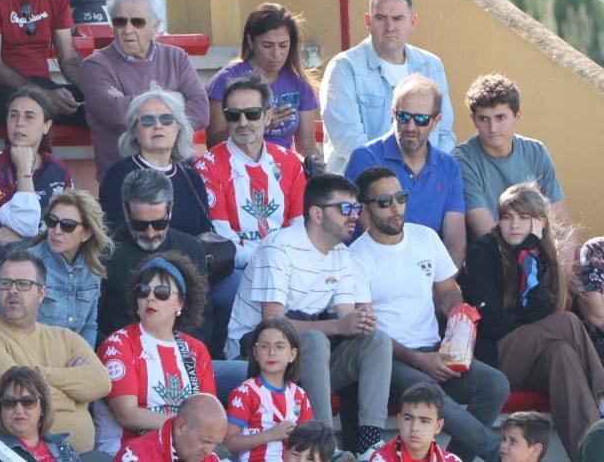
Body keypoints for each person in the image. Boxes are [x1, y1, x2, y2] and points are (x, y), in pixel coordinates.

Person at [349, 165, 508, 462]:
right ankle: (498, 454)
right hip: (390, 361)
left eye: (401, 197)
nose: (396, 208)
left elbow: (448, 291)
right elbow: (367, 332)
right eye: (384, 202)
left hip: (435, 349)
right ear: (364, 212)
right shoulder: (355, 258)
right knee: (430, 394)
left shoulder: (425, 238)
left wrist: (456, 324)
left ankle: (451, 459)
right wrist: (419, 359)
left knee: (494, 384)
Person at [225, 173, 391, 454]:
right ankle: (326, 444)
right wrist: (340, 325)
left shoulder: (342, 254)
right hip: (256, 356)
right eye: (345, 209)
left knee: (377, 340)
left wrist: (359, 323)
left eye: (356, 208)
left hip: (304, 364)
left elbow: (346, 321)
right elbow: (272, 324)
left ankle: (369, 442)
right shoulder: (279, 248)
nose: (354, 216)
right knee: (314, 340)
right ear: (316, 213)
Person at [461, 182, 604, 457]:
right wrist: (534, 327)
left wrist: (530, 253)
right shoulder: (483, 252)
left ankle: (591, 452)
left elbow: (542, 311)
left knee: (562, 353)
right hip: (496, 358)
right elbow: (491, 321)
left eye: (523, 218)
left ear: (539, 223)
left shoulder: (540, 254)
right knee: (566, 323)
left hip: (533, 357)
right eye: (507, 217)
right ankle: (601, 393)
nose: (514, 225)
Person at [0, 247, 110, 462]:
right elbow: (20, 395)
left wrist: (41, 374)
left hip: (67, 456)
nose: (13, 290)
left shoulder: (65, 337)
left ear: (42, 293)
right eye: (5, 283)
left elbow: (101, 382)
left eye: (23, 284)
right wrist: (76, 397)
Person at [80, 0, 210, 181]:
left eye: (137, 22)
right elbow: (116, 114)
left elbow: (202, 112)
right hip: (126, 181)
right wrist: (174, 101)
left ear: (155, 26)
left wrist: (130, 102)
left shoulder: (177, 58)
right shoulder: (95, 66)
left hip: (177, 174)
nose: (128, 29)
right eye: (120, 21)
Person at [320, 0, 453, 175]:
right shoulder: (344, 67)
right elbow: (349, 141)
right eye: (381, 18)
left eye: (398, 18)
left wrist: (428, 178)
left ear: (413, 21)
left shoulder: (432, 65)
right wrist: (396, 178)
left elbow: (445, 134)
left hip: (423, 182)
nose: (390, 27)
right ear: (368, 21)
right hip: (361, 189)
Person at [343, 74, 467, 266]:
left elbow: (455, 243)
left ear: (436, 121)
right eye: (403, 116)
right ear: (393, 113)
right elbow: (368, 231)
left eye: (421, 119)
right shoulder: (366, 158)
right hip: (375, 275)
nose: (410, 126)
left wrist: (441, 285)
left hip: (430, 279)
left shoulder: (448, 167)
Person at [97, 254, 215, 452]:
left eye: (162, 292)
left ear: (181, 303)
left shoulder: (197, 350)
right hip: (128, 453)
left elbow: (209, 416)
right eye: (143, 291)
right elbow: (127, 414)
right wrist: (187, 426)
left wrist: (192, 430)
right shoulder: (118, 344)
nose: (150, 297)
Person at [196, 74, 306, 267]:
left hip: (289, 265)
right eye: (233, 114)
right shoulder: (208, 167)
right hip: (237, 269)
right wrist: (268, 263)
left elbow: (300, 226)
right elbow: (223, 239)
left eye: (253, 113)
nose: (243, 122)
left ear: (268, 116)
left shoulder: (290, 161)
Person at [96, 171, 211, 343]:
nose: (150, 233)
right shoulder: (105, 251)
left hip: (181, 350)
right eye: (140, 225)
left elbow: (202, 316)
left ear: (170, 210)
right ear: (126, 212)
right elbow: (95, 319)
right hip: (123, 352)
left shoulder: (191, 248)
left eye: (159, 224)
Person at [454, 74, 566, 241]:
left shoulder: (536, 152)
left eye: (500, 118)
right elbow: (488, 234)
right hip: (491, 257)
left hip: (539, 252)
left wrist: (562, 263)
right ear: (473, 120)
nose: (492, 128)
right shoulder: (461, 160)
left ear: (517, 117)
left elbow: (561, 223)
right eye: (484, 119)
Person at [0, 87, 71, 276]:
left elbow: (69, 220)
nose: (19, 124)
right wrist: (24, 172)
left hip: (45, 245)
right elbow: (24, 223)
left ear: (46, 126)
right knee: (20, 254)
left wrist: (31, 237)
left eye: (29, 117)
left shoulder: (58, 168)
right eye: (13, 116)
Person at [97, 86, 210, 240]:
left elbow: (205, 233)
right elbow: (117, 237)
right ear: (134, 131)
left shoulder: (192, 178)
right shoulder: (120, 175)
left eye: (166, 119)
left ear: (178, 128)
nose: (158, 126)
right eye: (147, 120)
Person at [206, 4, 318, 159]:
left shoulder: (299, 84)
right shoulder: (226, 80)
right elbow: (214, 143)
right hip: (237, 165)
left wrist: (316, 168)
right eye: (267, 45)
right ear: (250, 42)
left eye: (283, 45)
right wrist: (259, 123)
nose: (276, 53)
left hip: (284, 167)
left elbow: (307, 146)